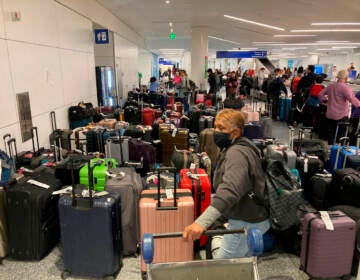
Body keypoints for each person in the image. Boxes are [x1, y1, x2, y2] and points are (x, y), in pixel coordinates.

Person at [182, 109, 270, 259]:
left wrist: (201, 223)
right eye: (215, 126)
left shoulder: (236, 154)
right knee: (242, 264)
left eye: (221, 128)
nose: (216, 132)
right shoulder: (240, 148)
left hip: (246, 221)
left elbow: (230, 190)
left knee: (222, 268)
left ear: (235, 133)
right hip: (253, 217)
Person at [318, 70, 360, 145]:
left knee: (331, 131)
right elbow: (352, 98)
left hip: (330, 114)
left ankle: (331, 147)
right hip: (341, 115)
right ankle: (340, 148)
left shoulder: (331, 86)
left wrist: (325, 101)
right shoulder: (345, 87)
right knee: (342, 133)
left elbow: (320, 94)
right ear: (346, 78)